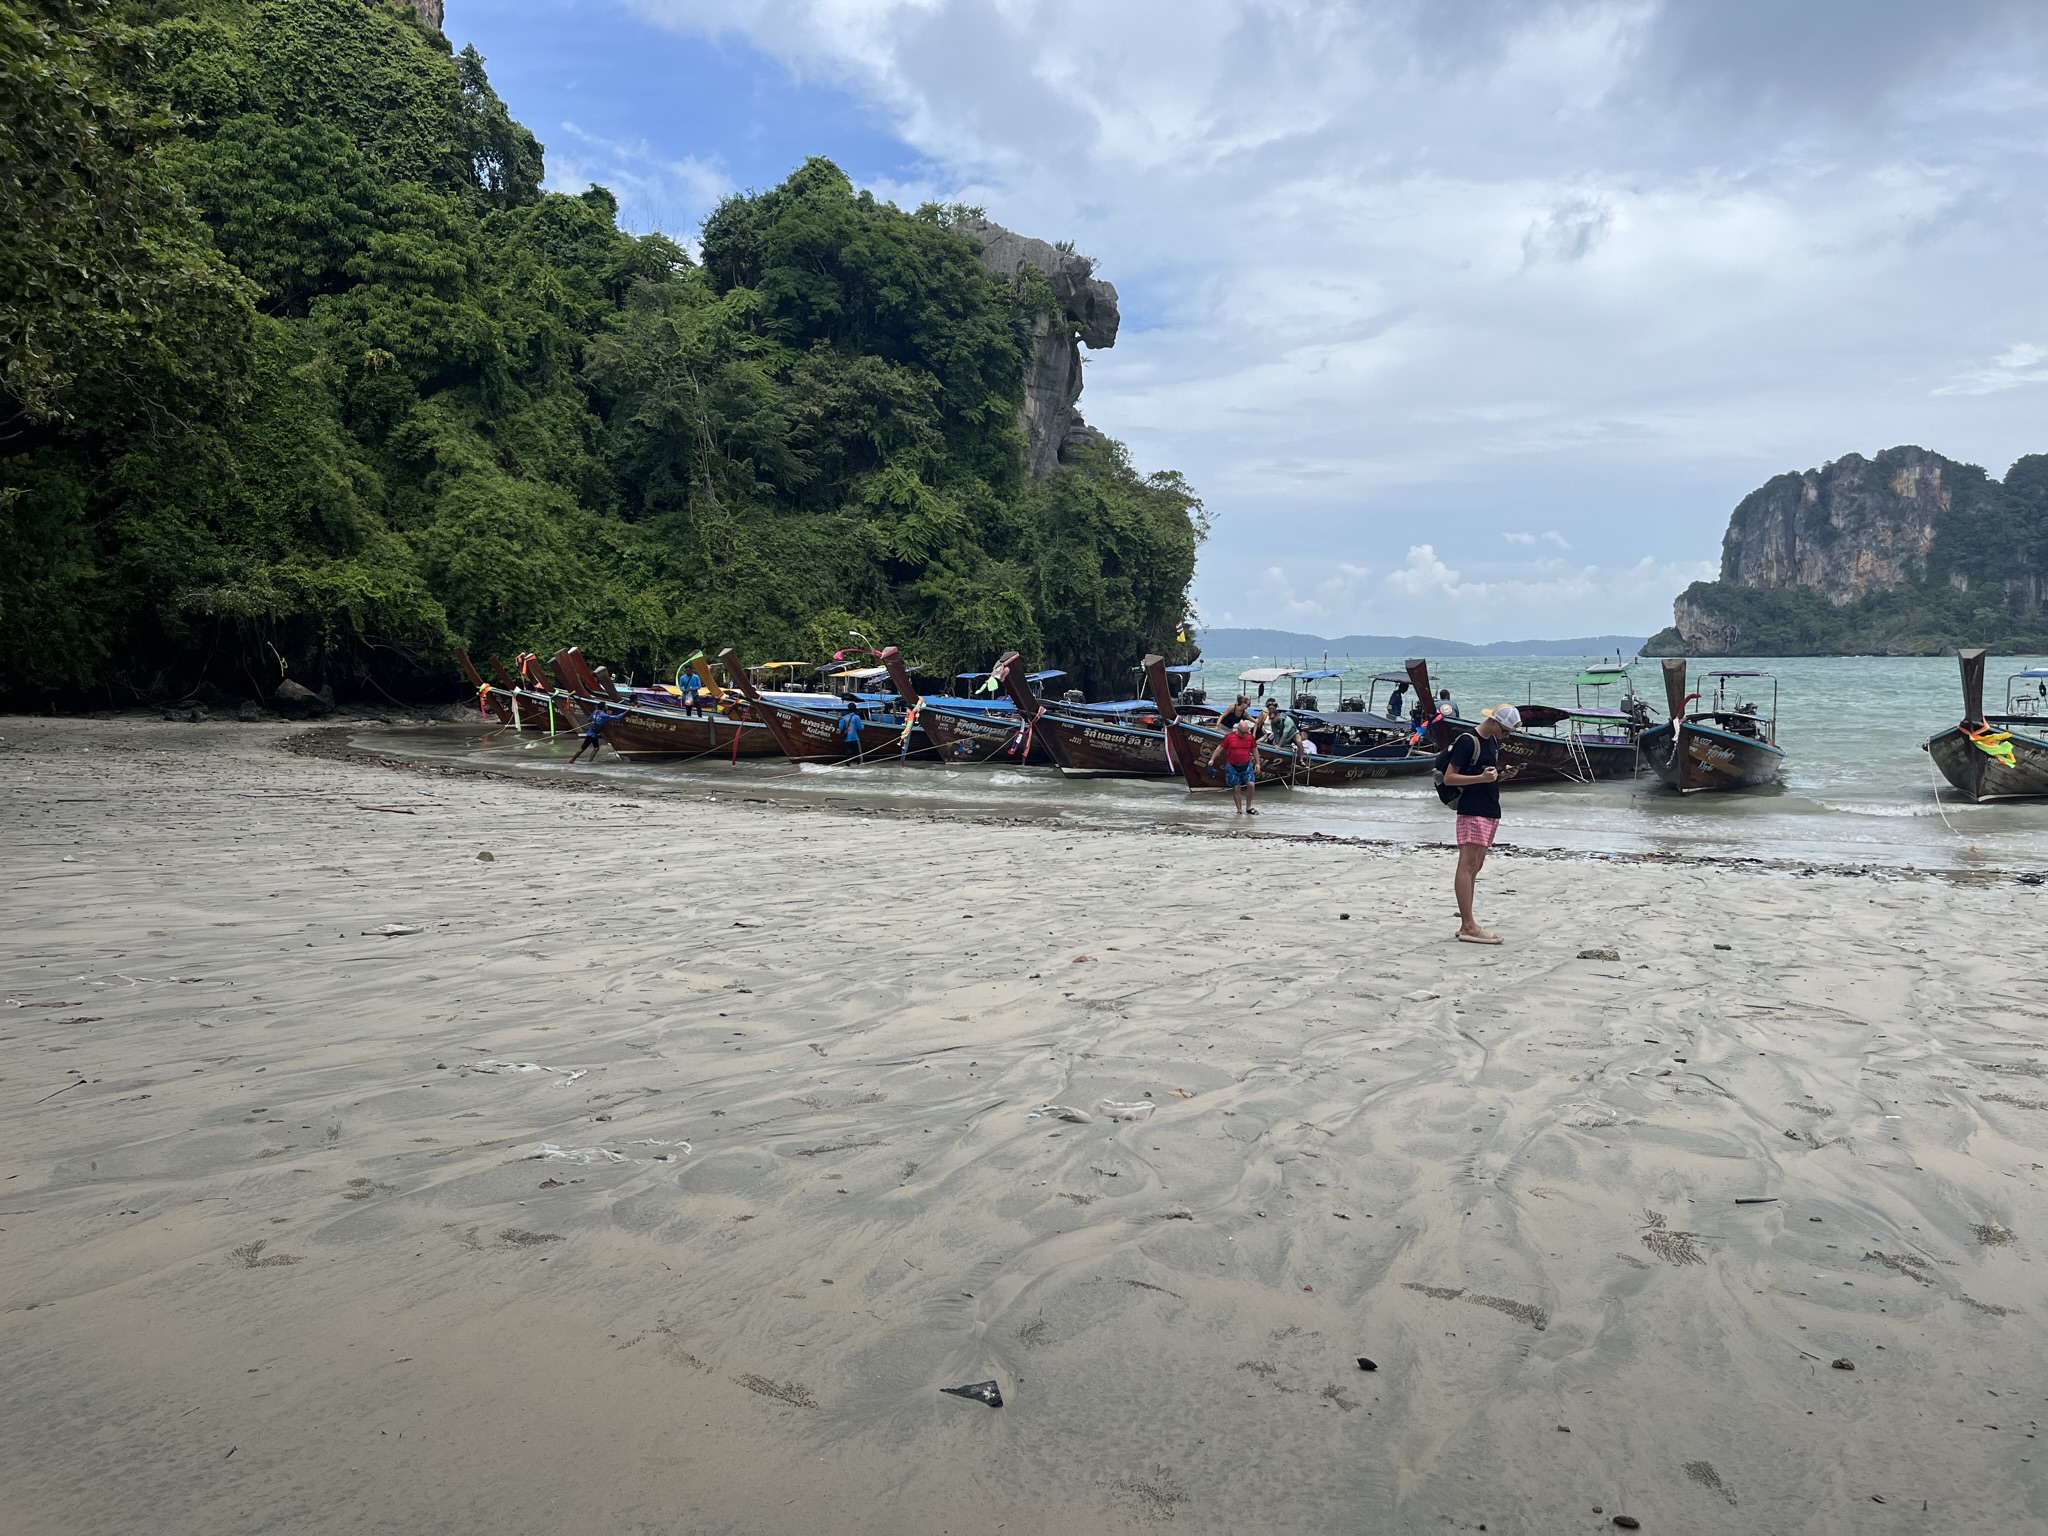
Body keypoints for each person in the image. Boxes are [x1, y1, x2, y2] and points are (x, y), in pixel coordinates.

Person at [1441, 704, 1520, 944]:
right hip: (1471, 808)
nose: (1507, 736)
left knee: (1476, 865)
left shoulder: (1493, 741)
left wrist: (1502, 775)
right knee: (1467, 865)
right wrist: (1481, 778)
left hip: (1489, 807)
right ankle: (1468, 925)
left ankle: (1468, 922)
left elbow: (1487, 774)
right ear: (1494, 722)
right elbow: (1449, 777)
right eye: (1506, 731)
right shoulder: (1468, 740)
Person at [1209, 715, 1261, 816]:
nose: (1245, 734)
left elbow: (1255, 750)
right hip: (1232, 765)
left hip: (1246, 764)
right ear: (1238, 729)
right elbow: (1219, 748)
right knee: (1236, 787)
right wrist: (1212, 759)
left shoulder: (1249, 737)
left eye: (1247, 732)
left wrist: (1258, 763)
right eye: (1243, 732)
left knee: (1251, 784)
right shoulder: (1229, 737)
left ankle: (1249, 807)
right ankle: (1239, 809)